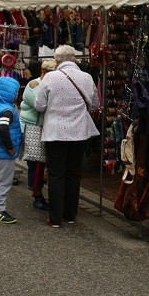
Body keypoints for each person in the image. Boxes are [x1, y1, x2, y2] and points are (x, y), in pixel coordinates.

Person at [36, 45, 99, 228]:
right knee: (74, 173)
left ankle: (54, 218)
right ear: (75, 59)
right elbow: (95, 104)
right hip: (79, 131)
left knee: (56, 174)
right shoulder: (86, 77)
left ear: (57, 61)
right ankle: (70, 214)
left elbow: (40, 104)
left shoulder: (50, 77)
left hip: (55, 132)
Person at [0, 76, 22, 225]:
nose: (17, 95)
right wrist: (10, 147)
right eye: (16, 92)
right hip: (4, 152)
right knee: (3, 180)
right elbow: (3, 128)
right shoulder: (8, 111)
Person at [21, 59, 56, 210]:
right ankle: (36, 193)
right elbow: (40, 105)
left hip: (45, 128)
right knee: (36, 163)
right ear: (44, 72)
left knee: (42, 163)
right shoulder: (33, 85)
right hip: (33, 127)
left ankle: (38, 190)